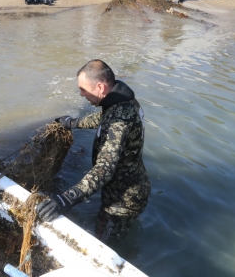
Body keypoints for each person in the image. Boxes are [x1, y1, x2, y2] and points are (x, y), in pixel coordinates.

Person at [36, 60, 150, 243]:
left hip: (122, 202)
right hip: (128, 187)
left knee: (103, 243)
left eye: (83, 89)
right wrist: (72, 123)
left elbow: (104, 169)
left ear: (100, 87)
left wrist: (66, 199)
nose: (82, 94)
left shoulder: (119, 122)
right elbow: (103, 118)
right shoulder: (123, 102)